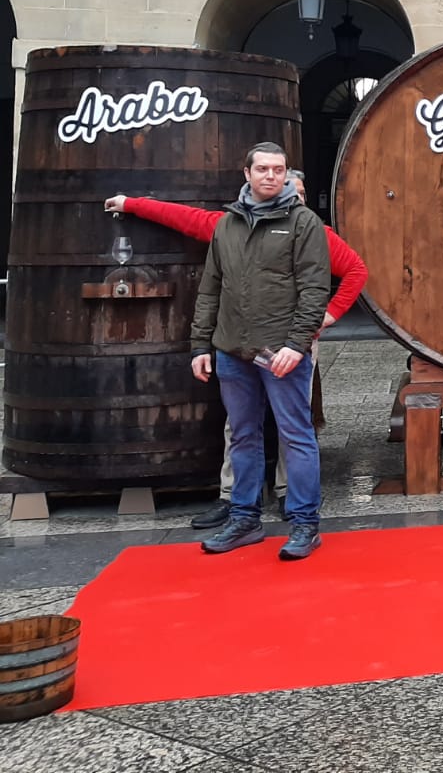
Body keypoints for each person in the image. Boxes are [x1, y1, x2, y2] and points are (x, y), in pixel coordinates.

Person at [108, 171, 367, 528]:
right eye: (293, 189)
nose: (298, 197)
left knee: (294, 423)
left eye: (302, 191)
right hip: (242, 345)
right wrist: (132, 205)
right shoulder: (231, 226)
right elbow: (186, 218)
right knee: (241, 426)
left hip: (292, 343)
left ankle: (292, 498)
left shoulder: (314, 233)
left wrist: (328, 315)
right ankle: (235, 500)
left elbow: (355, 270)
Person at [189, 142, 331, 560]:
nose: (272, 176)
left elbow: (314, 290)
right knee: (244, 436)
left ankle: (305, 524)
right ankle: (244, 520)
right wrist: (201, 344)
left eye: (279, 170)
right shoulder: (226, 226)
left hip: (281, 352)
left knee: (296, 435)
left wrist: (296, 344)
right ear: (247, 173)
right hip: (232, 350)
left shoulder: (304, 223)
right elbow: (210, 288)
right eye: (264, 169)